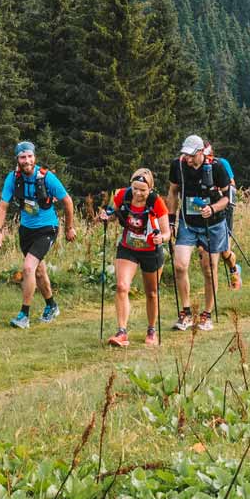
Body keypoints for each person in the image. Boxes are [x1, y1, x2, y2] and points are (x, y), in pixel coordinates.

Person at [0, 141, 75, 329]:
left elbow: (67, 202)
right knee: (38, 271)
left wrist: (69, 228)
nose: (27, 160)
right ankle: (52, 306)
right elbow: (3, 205)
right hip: (26, 231)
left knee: (28, 268)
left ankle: (23, 316)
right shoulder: (13, 179)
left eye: (29, 156)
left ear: (34, 157)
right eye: (22, 157)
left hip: (47, 229)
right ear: (17, 159)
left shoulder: (47, 178)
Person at [97, 168, 168, 347]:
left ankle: (151, 330)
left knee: (151, 293)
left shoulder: (156, 202)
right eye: (135, 188)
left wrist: (162, 238)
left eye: (142, 190)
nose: (138, 193)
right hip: (128, 248)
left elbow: (168, 233)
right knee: (121, 286)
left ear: (150, 189)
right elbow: (114, 214)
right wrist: (106, 216)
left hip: (151, 250)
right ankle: (121, 332)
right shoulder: (122, 195)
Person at [168, 134, 233, 331]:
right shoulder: (178, 165)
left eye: (190, 155)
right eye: (184, 154)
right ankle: (186, 313)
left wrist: (212, 208)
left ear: (200, 153)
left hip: (212, 224)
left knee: (209, 267)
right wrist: (170, 220)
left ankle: (207, 314)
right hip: (188, 223)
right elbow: (172, 192)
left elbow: (226, 199)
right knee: (180, 265)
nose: (187, 158)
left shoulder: (217, 167)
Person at [204, 142, 243, 291]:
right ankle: (211, 285)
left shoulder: (221, 164)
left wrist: (221, 193)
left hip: (223, 208)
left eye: (208, 157)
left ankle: (234, 270)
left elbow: (232, 186)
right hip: (205, 209)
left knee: (224, 249)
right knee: (205, 250)